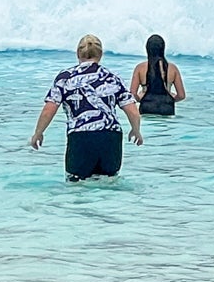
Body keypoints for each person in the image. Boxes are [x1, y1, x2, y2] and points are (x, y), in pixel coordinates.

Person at [30, 35, 143, 181]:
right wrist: (136, 130)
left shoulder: (65, 77)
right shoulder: (112, 77)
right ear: (101, 55)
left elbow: (49, 109)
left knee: (76, 186)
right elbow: (132, 110)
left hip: (81, 137)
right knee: (109, 184)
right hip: (110, 138)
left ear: (78, 53)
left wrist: (38, 133)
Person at [131, 34, 186, 117]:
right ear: (163, 49)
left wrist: (140, 98)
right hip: (167, 108)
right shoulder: (173, 68)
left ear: (147, 49)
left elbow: (132, 94)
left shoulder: (140, 68)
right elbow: (181, 95)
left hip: (146, 107)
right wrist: (170, 98)